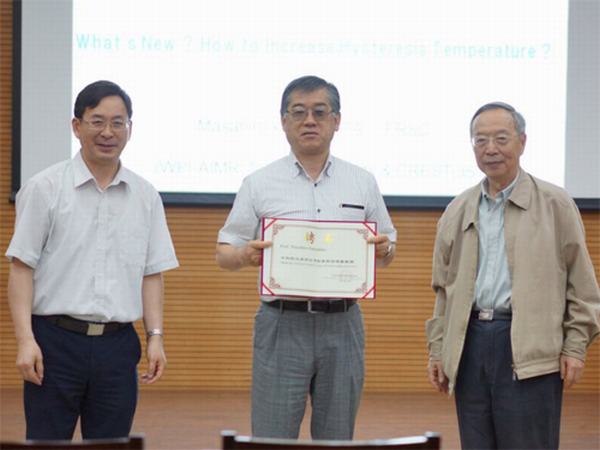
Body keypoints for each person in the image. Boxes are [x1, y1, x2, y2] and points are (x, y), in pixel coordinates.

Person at [216, 75, 396, 440]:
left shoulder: (362, 181)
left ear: (336, 121)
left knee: (336, 437)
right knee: (272, 437)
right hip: (282, 322)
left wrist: (384, 249)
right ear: (284, 121)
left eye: (319, 112)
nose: (309, 121)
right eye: (298, 112)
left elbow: (387, 247)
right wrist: (245, 255)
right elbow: (224, 252)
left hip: (343, 322)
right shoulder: (259, 182)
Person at [6, 80, 179, 440]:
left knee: (111, 444)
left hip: (118, 346)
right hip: (54, 343)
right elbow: (22, 268)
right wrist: (25, 340)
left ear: (130, 128)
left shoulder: (145, 196)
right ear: (76, 126)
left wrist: (155, 337)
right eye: (97, 121)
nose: (108, 132)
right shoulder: (44, 188)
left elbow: (151, 274)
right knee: (46, 443)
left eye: (118, 122)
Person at [426, 101, 600, 450]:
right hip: (470, 344)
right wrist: (438, 350)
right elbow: (444, 290)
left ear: (522, 141)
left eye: (501, 138)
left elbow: (582, 287)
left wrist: (575, 346)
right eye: (480, 140)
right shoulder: (458, 209)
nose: (490, 149)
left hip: (530, 347)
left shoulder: (554, 203)